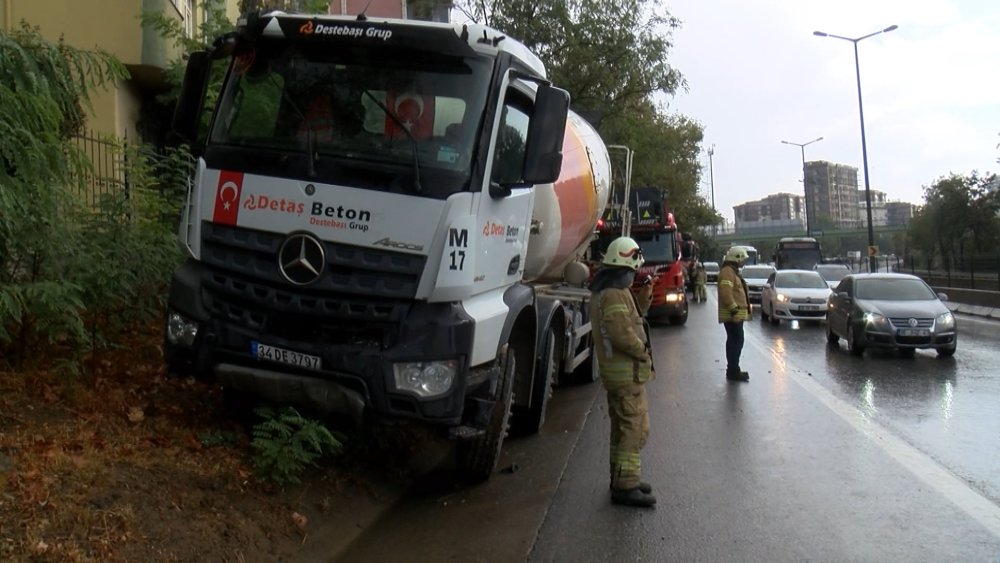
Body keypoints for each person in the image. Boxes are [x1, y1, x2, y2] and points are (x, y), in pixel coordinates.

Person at [589, 236, 657, 508]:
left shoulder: (609, 291)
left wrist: (643, 299)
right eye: (632, 271)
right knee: (634, 428)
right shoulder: (615, 293)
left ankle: (622, 479)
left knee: (621, 428)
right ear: (621, 268)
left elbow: (631, 318)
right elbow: (620, 332)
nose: (634, 275)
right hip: (626, 374)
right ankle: (626, 486)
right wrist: (642, 350)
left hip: (619, 375)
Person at [718, 246, 751, 381]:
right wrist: (734, 310)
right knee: (736, 341)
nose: (743, 262)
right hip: (732, 315)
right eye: (742, 259)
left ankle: (733, 369)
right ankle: (733, 370)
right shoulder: (727, 272)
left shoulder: (732, 271)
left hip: (734, 315)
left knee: (735, 341)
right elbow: (725, 293)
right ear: (736, 258)